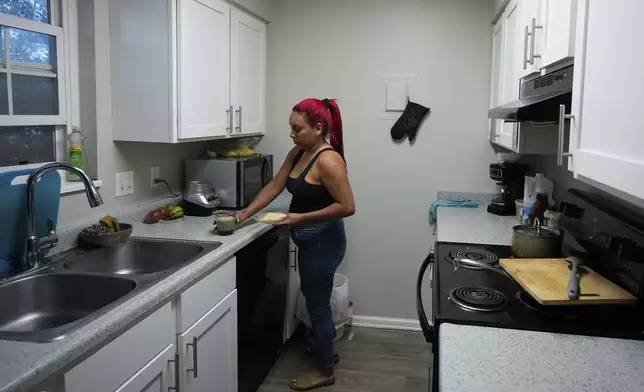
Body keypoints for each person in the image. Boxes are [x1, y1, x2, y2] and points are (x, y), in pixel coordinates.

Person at [233, 98, 355, 390]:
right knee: (317, 302)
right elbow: (276, 184)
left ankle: (325, 371)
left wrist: (300, 218)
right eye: (291, 128)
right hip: (310, 242)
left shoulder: (328, 159)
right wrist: (244, 213)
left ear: (318, 127)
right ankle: (328, 350)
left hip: (324, 243)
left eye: (296, 129)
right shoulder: (300, 151)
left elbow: (347, 206)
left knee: (318, 307)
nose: (291, 134)